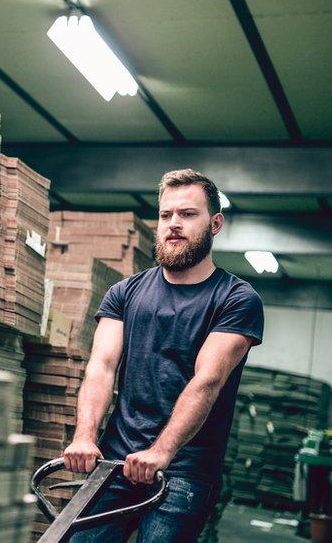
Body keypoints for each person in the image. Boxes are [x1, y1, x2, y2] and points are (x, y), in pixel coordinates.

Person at [63, 169, 265, 542]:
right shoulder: (125, 292)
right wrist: (85, 436)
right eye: (165, 215)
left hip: (185, 469)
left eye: (187, 214)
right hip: (114, 461)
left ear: (215, 223)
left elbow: (208, 380)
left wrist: (162, 451)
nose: (174, 224)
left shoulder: (236, 300)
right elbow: (102, 367)